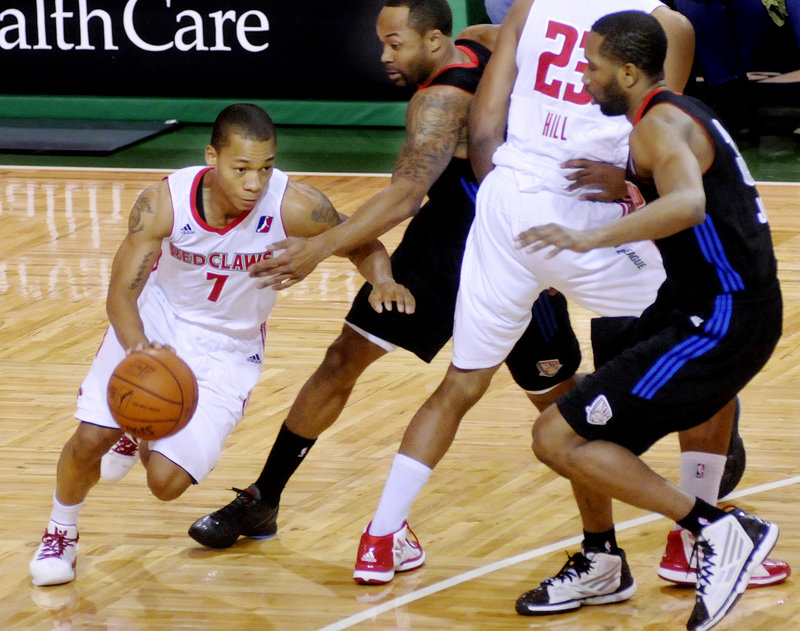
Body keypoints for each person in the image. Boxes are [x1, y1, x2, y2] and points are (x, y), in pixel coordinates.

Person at [347, 0, 785, 588]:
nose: (584, 73)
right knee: (700, 344)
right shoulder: (667, 25)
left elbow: (484, 127)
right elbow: (655, 137)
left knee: (463, 382)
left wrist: (509, 215)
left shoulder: (530, 5)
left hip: (505, 209)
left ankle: (379, 538)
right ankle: (695, 541)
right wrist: (597, 211)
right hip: (590, 217)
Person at [185, 0, 583, 553]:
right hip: (443, 244)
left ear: (435, 41)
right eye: (382, 43)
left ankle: (647, 473)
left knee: (557, 398)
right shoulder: (483, 41)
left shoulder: (437, 101)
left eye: (396, 44)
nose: (384, 56)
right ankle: (264, 497)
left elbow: (402, 194)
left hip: (509, 249)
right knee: (343, 359)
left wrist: (317, 248)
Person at [28, 103, 411, 587]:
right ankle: (61, 531)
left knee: (165, 485)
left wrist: (382, 280)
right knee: (90, 438)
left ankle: (139, 429)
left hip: (229, 346)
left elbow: (362, 240)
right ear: (212, 157)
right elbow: (120, 296)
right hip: (156, 322)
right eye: (242, 168)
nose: (255, 182)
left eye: (267, 167)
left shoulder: (293, 205)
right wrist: (140, 351)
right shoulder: (163, 203)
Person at [512, 11, 781, 629]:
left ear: (628, 73)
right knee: (589, 442)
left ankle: (718, 532)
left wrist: (589, 239)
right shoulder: (683, 111)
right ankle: (607, 561)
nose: (583, 77)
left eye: (593, 66)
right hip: (705, 304)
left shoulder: (657, 127)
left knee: (556, 437)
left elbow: (688, 203)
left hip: (719, 318)